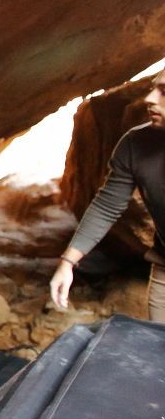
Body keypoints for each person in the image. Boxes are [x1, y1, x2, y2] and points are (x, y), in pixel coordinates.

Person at [50, 68, 165, 323]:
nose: (150, 99)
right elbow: (106, 206)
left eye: (164, 92)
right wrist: (68, 262)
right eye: (154, 88)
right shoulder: (135, 145)